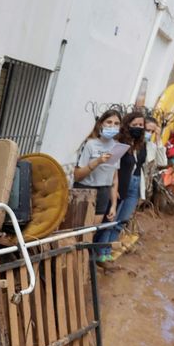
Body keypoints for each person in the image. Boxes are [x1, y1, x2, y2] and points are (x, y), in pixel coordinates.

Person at [94, 112, 156, 263]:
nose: (138, 128)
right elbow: (111, 168)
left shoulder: (142, 145)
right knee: (110, 220)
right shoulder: (119, 144)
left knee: (121, 221)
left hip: (135, 185)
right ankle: (99, 252)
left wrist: (156, 138)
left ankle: (107, 250)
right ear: (127, 125)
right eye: (134, 125)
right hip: (121, 185)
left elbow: (155, 160)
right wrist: (114, 190)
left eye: (141, 125)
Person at [73, 110, 121, 263]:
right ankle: (70, 262)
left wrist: (113, 205)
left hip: (103, 193)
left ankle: (81, 264)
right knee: (75, 232)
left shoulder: (117, 148)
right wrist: (97, 162)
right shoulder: (90, 144)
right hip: (84, 191)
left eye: (116, 124)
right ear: (101, 124)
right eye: (109, 122)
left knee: (90, 232)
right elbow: (77, 175)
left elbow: (114, 179)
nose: (112, 126)